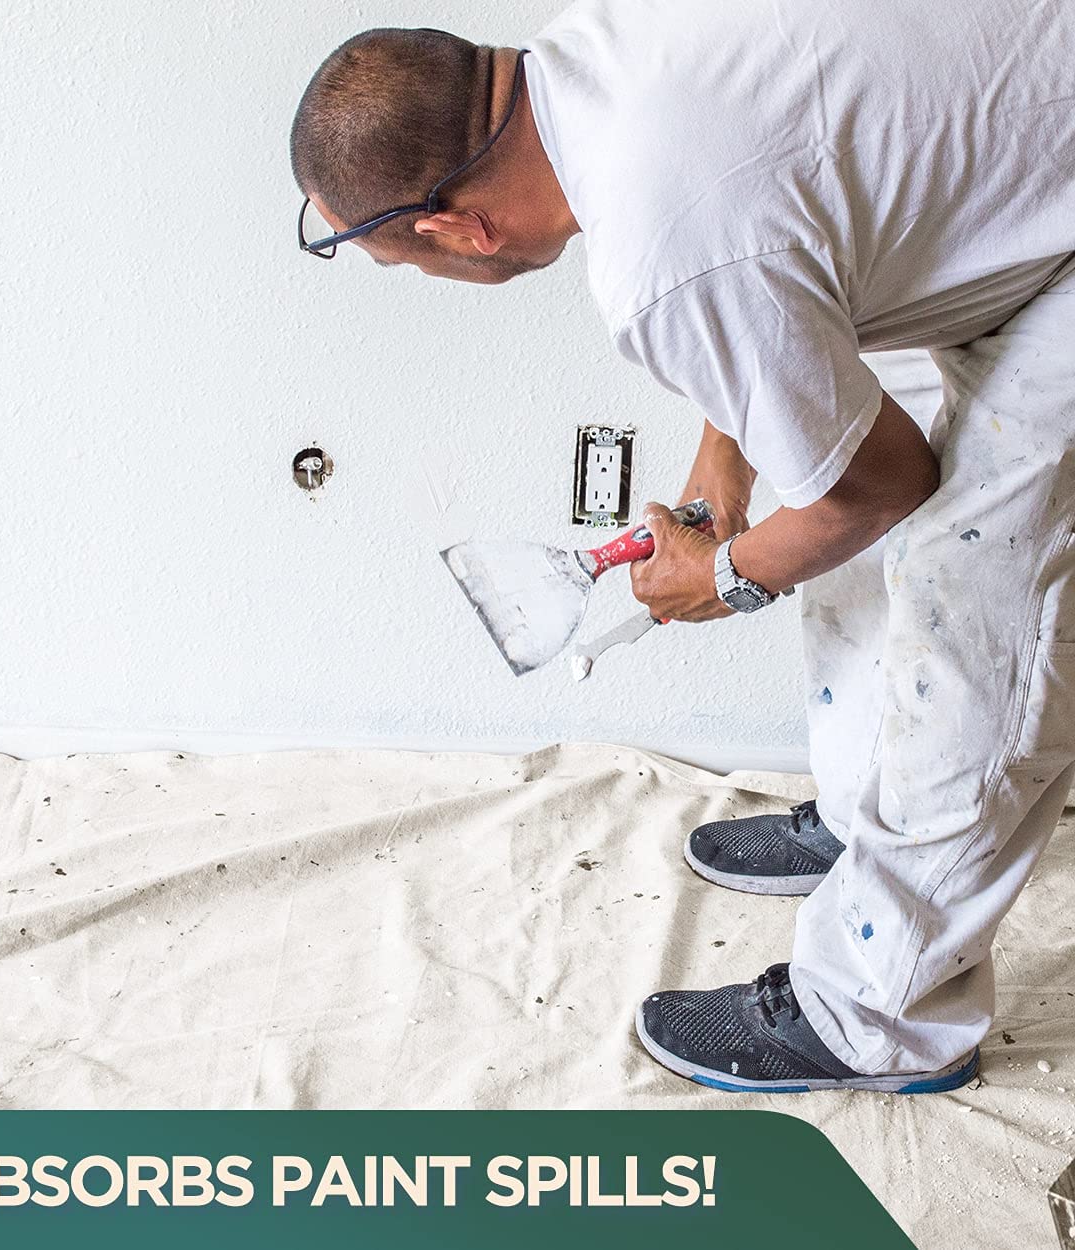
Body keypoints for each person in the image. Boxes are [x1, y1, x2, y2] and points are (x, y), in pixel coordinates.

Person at [288, 1, 1075, 1094]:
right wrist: (725, 467)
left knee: (980, 596)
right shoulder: (607, 53)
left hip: (1054, 233)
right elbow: (777, 255)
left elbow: (882, 483)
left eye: (407, 265)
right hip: (1010, 172)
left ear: (458, 230)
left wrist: (728, 579)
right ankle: (870, 813)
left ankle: (877, 1017)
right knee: (825, 482)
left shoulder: (659, 252)